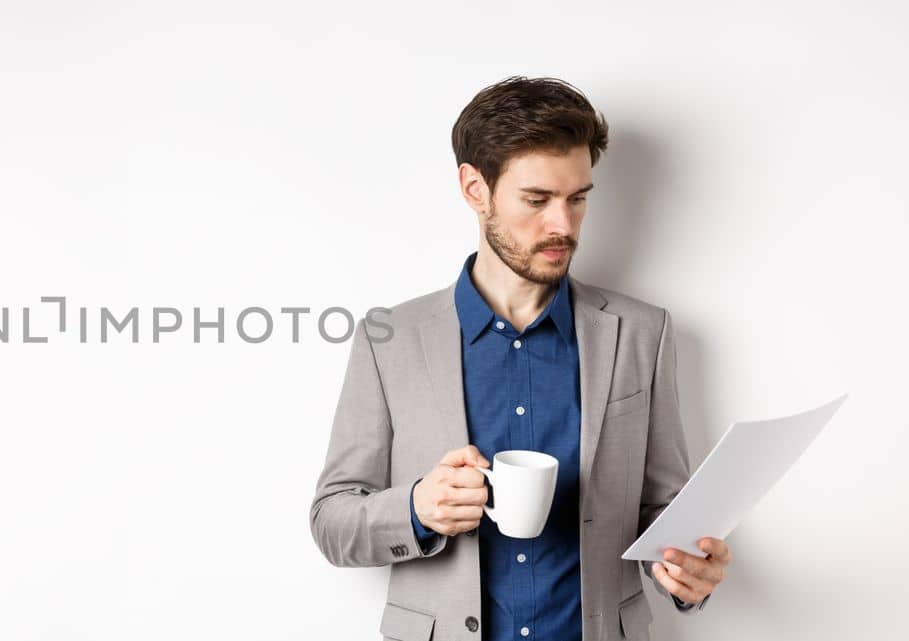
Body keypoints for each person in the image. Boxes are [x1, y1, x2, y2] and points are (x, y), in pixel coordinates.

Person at [308, 76, 731, 641]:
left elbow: (665, 511)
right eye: (537, 200)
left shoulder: (642, 332)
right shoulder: (390, 339)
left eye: (578, 199)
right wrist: (417, 508)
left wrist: (687, 569)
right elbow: (332, 521)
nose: (563, 225)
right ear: (475, 188)